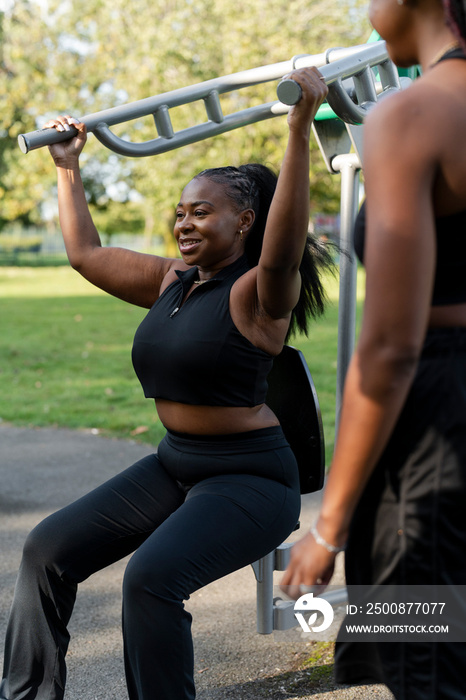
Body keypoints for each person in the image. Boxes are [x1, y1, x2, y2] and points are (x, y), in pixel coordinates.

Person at [0, 67, 330, 700]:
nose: (183, 222)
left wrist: (296, 128)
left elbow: (285, 248)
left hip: (251, 480)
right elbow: (85, 255)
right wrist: (69, 167)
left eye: (201, 212)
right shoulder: (171, 281)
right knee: (47, 550)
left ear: (244, 223)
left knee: (151, 578)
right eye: (179, 212)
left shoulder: (260, 294)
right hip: (177, 464)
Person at [281, 1, 466, 698]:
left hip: (435, 432)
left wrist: (327, 530)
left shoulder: (411, 114)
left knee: (427, 664)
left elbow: (389, 347)